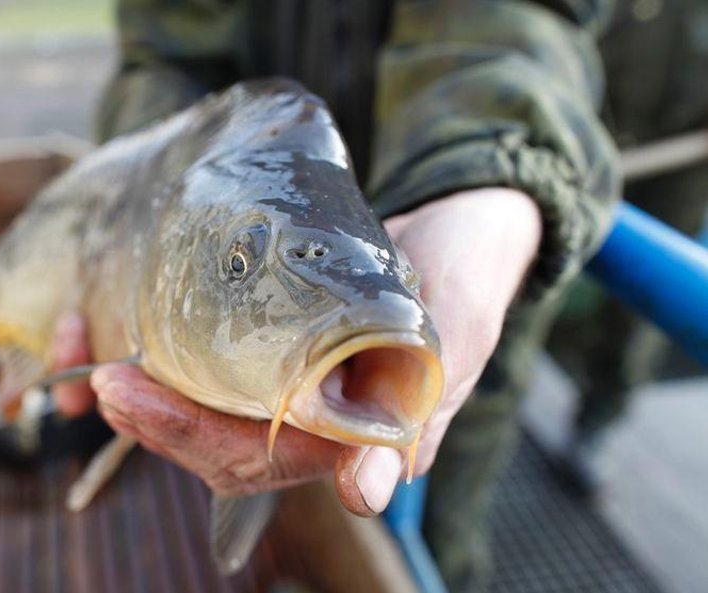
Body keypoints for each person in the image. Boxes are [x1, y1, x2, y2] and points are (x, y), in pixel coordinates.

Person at [50, 2, 620, 591]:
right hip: (213, 201)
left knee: (442, 538)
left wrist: (492, 183)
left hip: (453, 271)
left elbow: (520, 19)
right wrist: (160, 194)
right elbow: (163, 59)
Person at [547, 0, 708, 495]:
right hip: (582, 124)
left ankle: (597, 421)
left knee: (641, 312)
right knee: (532, 276)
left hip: (686, 150)